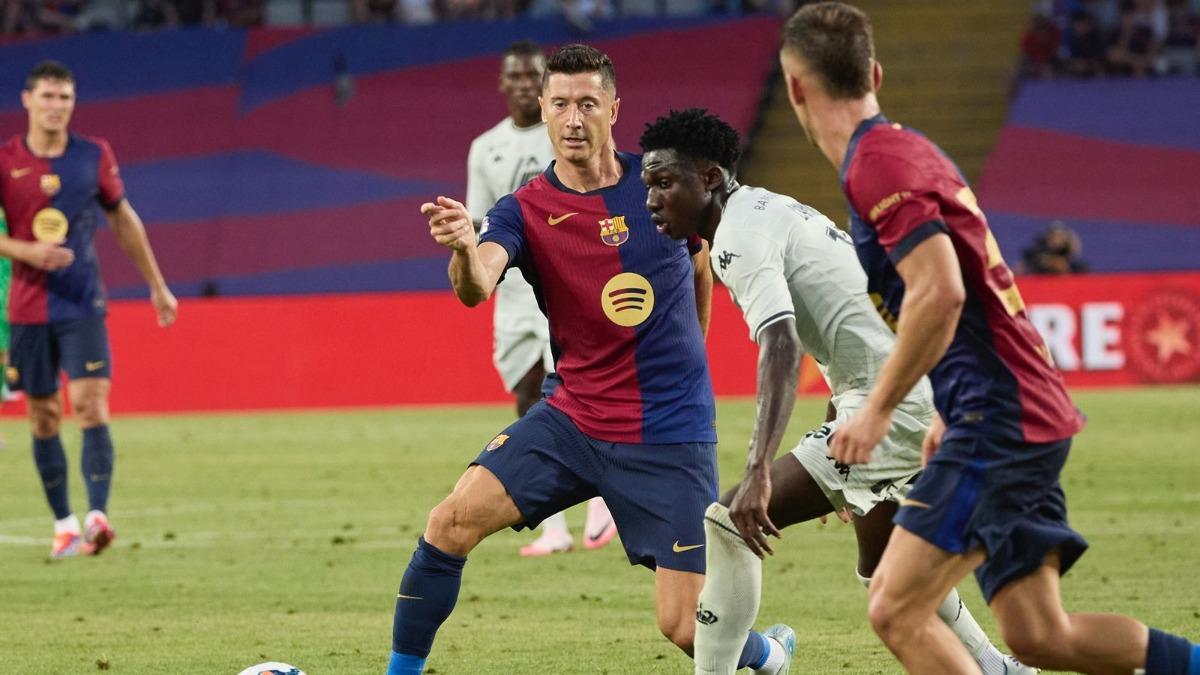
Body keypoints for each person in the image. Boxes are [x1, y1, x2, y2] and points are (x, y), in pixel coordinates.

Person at [779, 3, 1199, 673]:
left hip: (999, 414)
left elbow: (940, 289)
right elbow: (974, 291)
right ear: (876, 73)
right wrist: (945, 404)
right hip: (1015, 407)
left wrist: (879, 408)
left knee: (895, 606)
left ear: (796, 88)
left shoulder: (875, 167)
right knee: (1039, 633)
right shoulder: (910, 150)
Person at [393, 44, 793, 675]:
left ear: (613, 108)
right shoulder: (522, 208)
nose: (573, 119)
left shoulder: (662, 185)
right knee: (448, 523)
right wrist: (466, 249)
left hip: (668, 434)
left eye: (587, 104)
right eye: (560, 105)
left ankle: (770, 655)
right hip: (571, 421)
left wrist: (691, 363)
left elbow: (698, 264)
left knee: (687, 628)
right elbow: (477, 286)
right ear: (544, 112)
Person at [639, 107, 1032, 675]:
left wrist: (759, 469)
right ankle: (999, 669)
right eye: (648, 184)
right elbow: (847, 315)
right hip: (902, 393)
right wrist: (838, 420)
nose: (652, 199)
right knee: (885, 562)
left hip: (894, 401)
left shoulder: (737, 240)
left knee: (729, 520)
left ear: (709, 178)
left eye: (664, 182)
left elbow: (781, 344)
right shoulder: (768, 209)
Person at [0, 60, 178, 559]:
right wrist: (25, 252)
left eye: (66, 98)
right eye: (49, 97)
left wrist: (157, 286)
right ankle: (64, 523)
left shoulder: (93, 156)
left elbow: (123, 220)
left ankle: (98, 516)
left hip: (82, 301)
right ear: (28, 100)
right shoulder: (6, 160)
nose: (57, 107)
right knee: (43, 416)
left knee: (90, 404)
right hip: (28, 308)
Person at [465, 39, 617, 558]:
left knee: (576, 391)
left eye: (534, 76)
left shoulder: (566, 138)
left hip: (563, 284)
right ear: (504, 84)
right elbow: (479, 218)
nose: (525, 85)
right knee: (529, 393)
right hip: (511, 287)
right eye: (516, 77)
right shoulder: (486, 148)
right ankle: (555, 526)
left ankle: (600, 500)